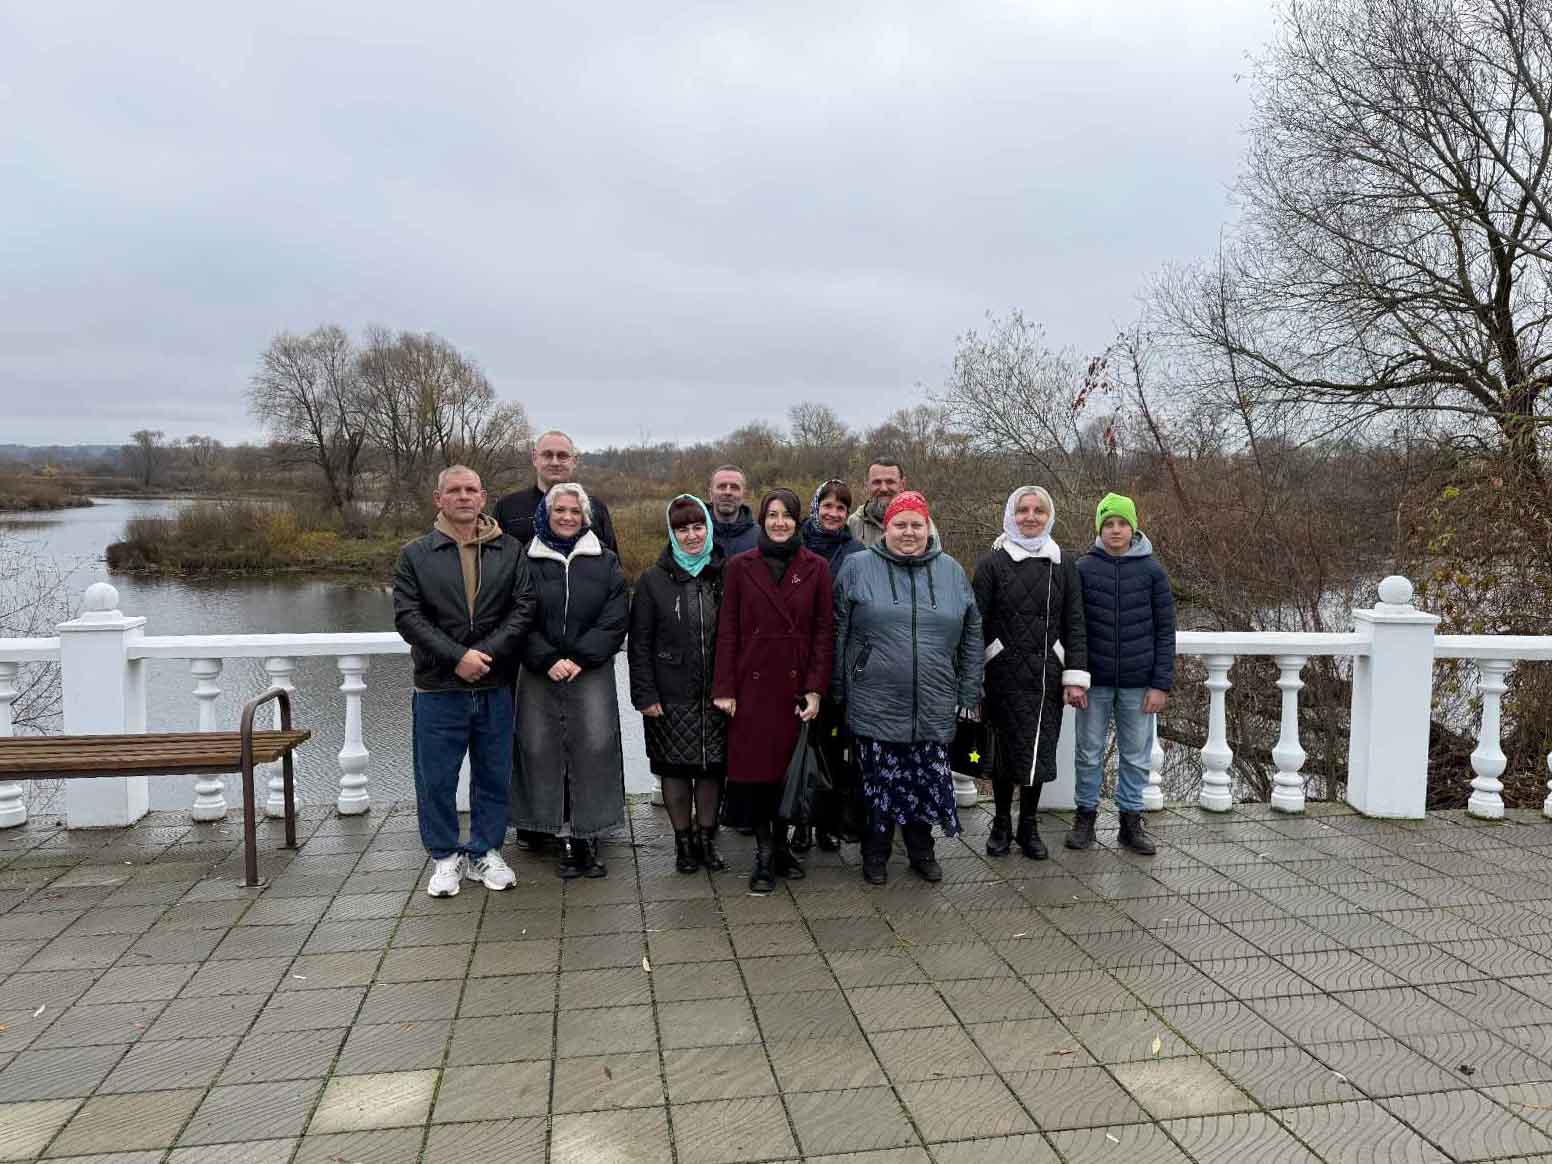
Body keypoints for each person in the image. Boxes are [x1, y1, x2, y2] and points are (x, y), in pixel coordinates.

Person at [392, 465, 534, 898]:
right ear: (439, 499)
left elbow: (524, 608)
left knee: (493, 775)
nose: (463, 496)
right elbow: (409, 617)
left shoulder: (509, 550)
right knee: (436, 779)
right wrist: (457, 658)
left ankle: (485, 850)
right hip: (439, 687)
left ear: (483, 497)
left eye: (471, 489)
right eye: (454, 490)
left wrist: (483, 656)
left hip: (495, 683)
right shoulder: (416, 555)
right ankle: (444, 856)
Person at [833, 491, 983, 884]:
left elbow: (972, 633)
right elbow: (838, 631)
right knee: (878, 782)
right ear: (886, 528)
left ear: (928, 528)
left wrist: (969, 692)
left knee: (924, 781)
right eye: (900, 524)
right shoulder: (857, 567)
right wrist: (838, 690)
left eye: (917, 524)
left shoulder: (951, 571)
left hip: (934, 699)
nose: (909, 532)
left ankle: (922, 851)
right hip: (875, 699)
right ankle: (875, 853)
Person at [713, 488, 835, 894]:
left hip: (794, 690)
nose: (779, 522)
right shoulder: (739, 566)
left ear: (797, 521)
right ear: (762, 519)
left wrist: (815, 689)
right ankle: (765, 853)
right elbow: (727, 630)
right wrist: (725, 688)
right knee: (757, 776)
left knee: (787, 773)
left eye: (787, 516)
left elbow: (823, 634)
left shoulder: (816, 568)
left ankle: (782, 847)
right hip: (751, 688)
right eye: (772, 515)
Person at [510, 483, 629, 877]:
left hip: (589, 669)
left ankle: (588, 835)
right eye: (559, 510)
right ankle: (555, 831)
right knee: (539, 748)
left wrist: (580, 656)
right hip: (539, 669)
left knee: (594, 747)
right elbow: (514, 613)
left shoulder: (605, 560)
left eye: (575, 511)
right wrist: (546, 657)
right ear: (546, 514)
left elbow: (616, 616)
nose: (567, 517)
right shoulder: (524, 558)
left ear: (585, 517)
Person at [974, 486, 1090, 861]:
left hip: (1045, 676)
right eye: (1023, 510)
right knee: (1003, 753)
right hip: (1001, 674)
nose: (1030, 516)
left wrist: (1075, 675)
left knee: (1038, 751)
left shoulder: (1063, 564)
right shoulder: (992, 563)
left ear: (1049, 516)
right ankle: (1000, 824)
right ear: (1012, 514)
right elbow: (975, 624)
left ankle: (1028, 825)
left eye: (1039, 510)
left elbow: (1075, 622)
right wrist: (976, 674)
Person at [628, 494, 730, 874]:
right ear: (672, 534)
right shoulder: (652, 581)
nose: (691, 535)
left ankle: (707, 839)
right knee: (674, 769)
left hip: (717, 693)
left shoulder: (726, 573)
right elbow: (639, 643)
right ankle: (683, 843)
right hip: (669, 693)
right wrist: (645, 694)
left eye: (698, 526)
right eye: (682, 529)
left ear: (708, 528)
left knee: (711, 769)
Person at [1071, 492, 1176, 856]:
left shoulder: (1152, 571)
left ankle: (1130, 823)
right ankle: (1085, 818)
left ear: (1133, 527)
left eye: (1122, 523)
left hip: (1138, 683)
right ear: (1099, 528)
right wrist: (1075, 677)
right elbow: (1074, 628)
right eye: (1108, 524)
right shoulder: (1083, 569)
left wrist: (1160, 683)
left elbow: (1165, 631)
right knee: (1088, 753)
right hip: (1094, 682)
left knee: (1135, 755)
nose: (1115, 530)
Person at [795, 479, 865, 851]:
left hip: (839, 661)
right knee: (801, 744)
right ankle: (800, 823)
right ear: (816, 507)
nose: (834, 513)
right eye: (828, 505)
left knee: (832, 747)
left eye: (841, 507)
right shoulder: (797, 545)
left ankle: (826, 824)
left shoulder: (856, 553)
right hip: (799, 659)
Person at [495, 430, 619, 554]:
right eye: (547, 455)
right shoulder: (507, 507)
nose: (555, 462)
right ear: (534, 458)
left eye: (562, 456)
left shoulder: (594, 508)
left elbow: (611, 560)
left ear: (574, 461)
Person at [847, 458, 938, 549]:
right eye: (877, 482)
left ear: (902, 484)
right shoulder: (854, 523)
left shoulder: (921, 522)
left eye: (890, 482)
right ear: (867, 486)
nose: (883, 489)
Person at [708, 465, 760, 555]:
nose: (728, 492)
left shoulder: (760, 538)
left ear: (744, 496)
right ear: (710, 494)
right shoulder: (693, 535)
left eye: (734, 487)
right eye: (721, 486)